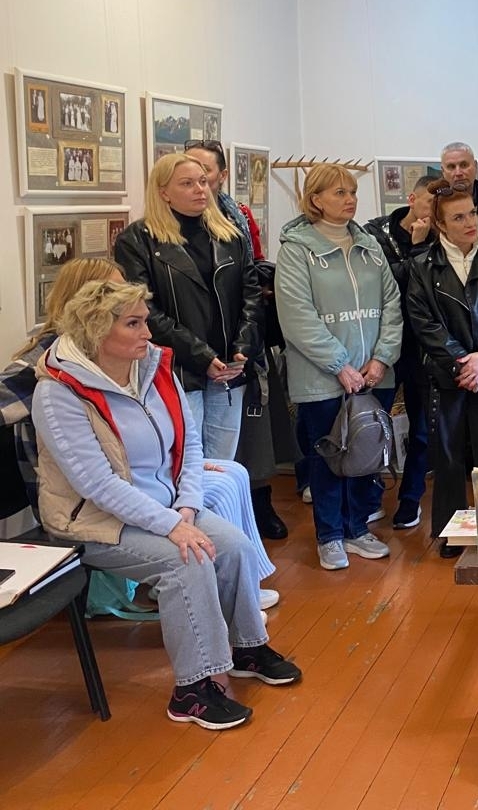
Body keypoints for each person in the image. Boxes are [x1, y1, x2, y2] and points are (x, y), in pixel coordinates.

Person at [31, 280, 300, 730]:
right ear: (98, 331)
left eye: (145, 321)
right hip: (93, 521)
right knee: (185, 561)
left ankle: (246, 648)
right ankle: (192, 690)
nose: (147, 332)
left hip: (166, 509)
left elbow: (188, 444)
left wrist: (188, 506)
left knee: (234, 546)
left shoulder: (153, 367)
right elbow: (96, 485)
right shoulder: (58, 393)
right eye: (133, 323)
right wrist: (172, 525)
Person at [276, 164, 403, 571]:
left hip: (373, 375)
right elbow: (297, 315)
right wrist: (340, 365)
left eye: (352, 192)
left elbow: (391, 305)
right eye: (339, 193)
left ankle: (357, 528)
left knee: (365, 454)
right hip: (323, 379)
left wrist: (381, 358)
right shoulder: (296, 249)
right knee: (329, 459)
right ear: (315, 199)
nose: (350, 200)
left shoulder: (370, 246)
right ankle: (329, 536)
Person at [114, 152, 263, 461]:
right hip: (178, 371)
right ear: (163, 192)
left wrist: (242, 348)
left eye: (203, 181)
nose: (200, 190)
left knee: (221, 465)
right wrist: (200, 356)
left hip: (229, 369)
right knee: (187, 465)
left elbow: (251, 295)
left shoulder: (230, 235)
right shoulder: (138, 241)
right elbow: (144, 310)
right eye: (187, 184)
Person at [406, 179, 478, 558]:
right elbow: (424, 324)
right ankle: (451, 533)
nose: (470, 222)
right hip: (446, 375)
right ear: (440, 224)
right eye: (459, 217)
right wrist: (463, 363)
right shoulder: (422, 267)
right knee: (448, 456)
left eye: (472, 213)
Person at [185, 139, 292, 540]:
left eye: (205, 172)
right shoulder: (157, 234)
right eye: (188, 172)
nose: (198, 180)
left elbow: (251, 278)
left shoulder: (237, 219)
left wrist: (244, 343)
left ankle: (255, 507)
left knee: (251, 431)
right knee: (198, 448)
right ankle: (214, 528)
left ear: (222, 175)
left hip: (241, 346)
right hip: (193, 354)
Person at [364, 175, 437, 530]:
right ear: (412, 198)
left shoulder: (441, 237)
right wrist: (418, 250)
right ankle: (369, 497)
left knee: (421, 429)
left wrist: (424, 246)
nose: (433, 211)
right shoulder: (375, 233)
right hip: (384, 343)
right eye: (429, 202)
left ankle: (410, 499)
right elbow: (383, 284)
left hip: (424, 346)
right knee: (373, 425)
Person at [440, 141, 478, 207]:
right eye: (452, 167)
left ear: (475, 166)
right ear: (443, 171)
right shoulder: (434, 204)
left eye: (464, 165)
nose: (458, 173)